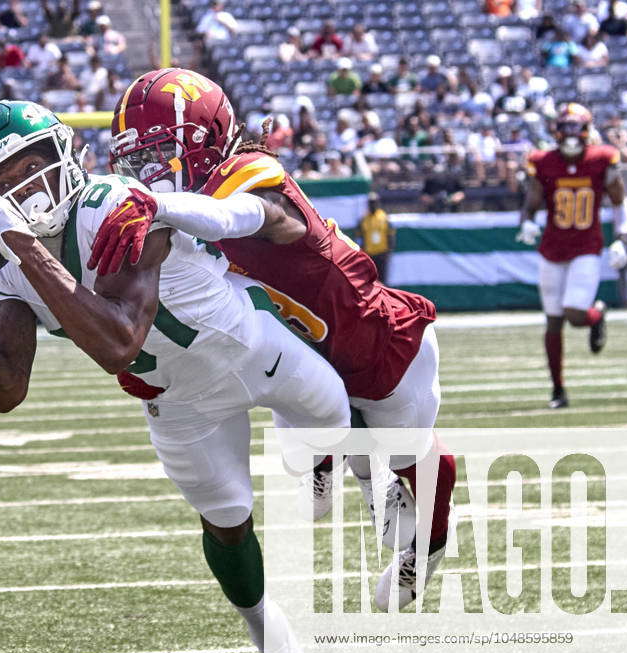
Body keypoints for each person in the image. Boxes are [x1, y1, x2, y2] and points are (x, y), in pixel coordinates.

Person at [0, 100, 348, 653]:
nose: (23, 190)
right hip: (180, 403)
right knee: (226, 521)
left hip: (258, 350)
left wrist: (26, 248)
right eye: (3, 185)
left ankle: (324, 465)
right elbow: (4, 391)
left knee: (336, 429)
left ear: (64, 155)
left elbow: (118, 339)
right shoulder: (9, 260)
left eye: (30, 168)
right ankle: (276, 644)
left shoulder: (115, 205)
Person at [101, 69, 454, 611]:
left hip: (380, 345)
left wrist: (160, 207)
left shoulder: (248, 173)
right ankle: (337, 464)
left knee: (417, 465)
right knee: (304, 436)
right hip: (307, 348)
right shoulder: (181, 213)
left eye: (158, 155)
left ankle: (426, 548)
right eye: (134, 161)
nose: (146, 174)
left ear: (207, 140)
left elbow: (231, 218)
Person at [517, 103, 627, 409]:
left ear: (586, 129)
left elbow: (621, 202)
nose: (570, 133)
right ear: (556, 129)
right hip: (552, 248)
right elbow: (532, 200)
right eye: (564, 126)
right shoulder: (542, 160)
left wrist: (621, 239)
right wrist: (527, 220)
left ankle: (596, 316)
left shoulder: (602, 158)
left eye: (575, 126)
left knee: (574, 315)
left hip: (586, 247)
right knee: (553, 322)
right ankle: (558, 390)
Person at [358, 193, 394, 282]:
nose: (372, 205)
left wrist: (389, 251)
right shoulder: (363, 219)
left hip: (382, 254)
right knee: (371, 281)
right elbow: (359, 237)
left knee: (383, 281)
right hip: (369, 255)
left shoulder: (384, 217)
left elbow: (390, 235)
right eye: (371, 203)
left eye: (374, 202)